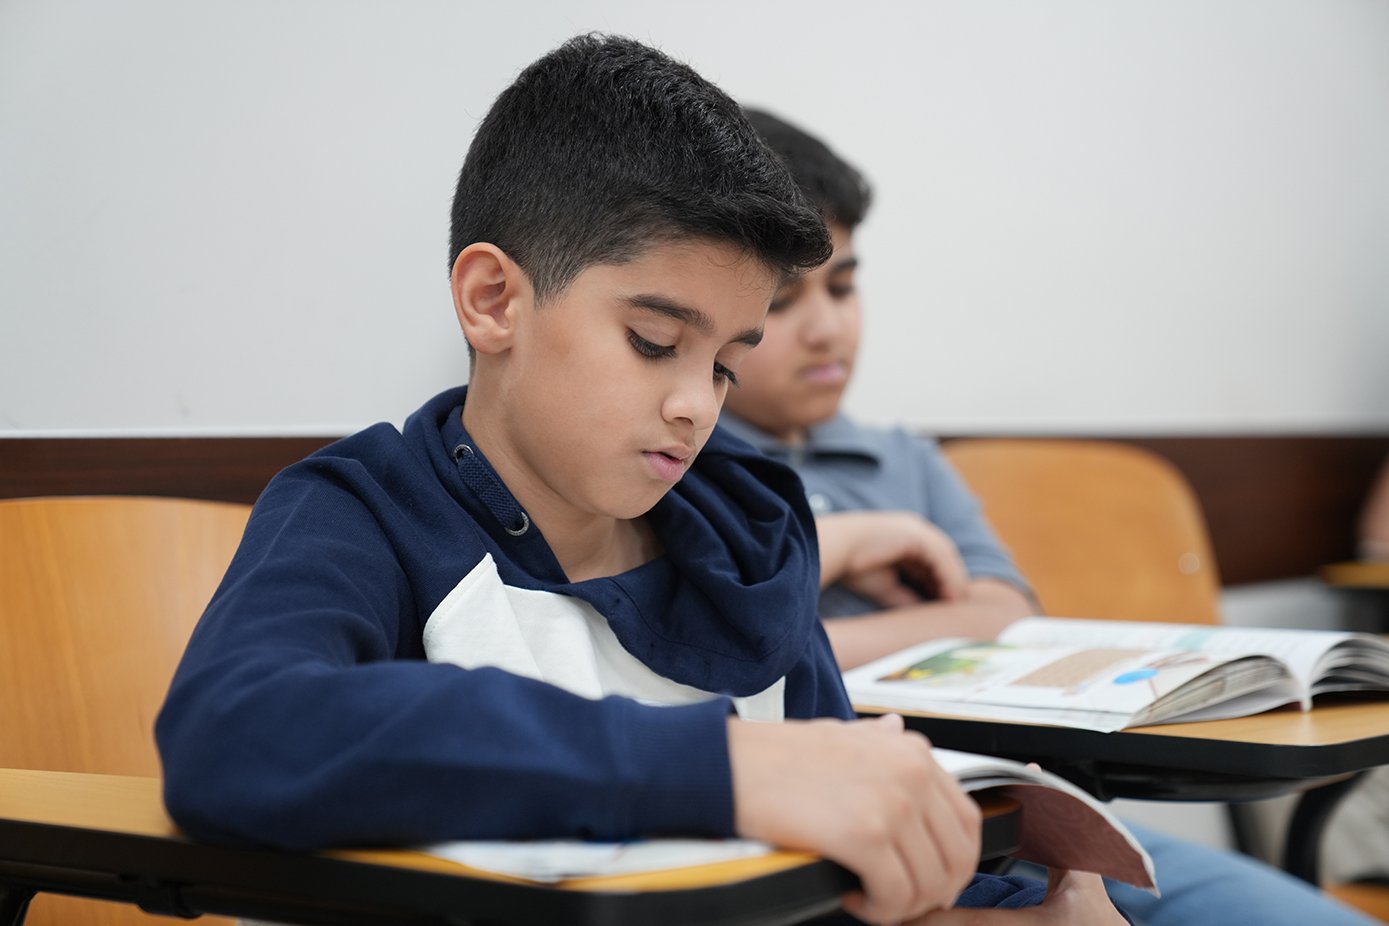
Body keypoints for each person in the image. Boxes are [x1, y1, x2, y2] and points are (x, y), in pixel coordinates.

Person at [154, 34, 1131, 926]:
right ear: (493, 299)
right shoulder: (364, 516)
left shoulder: (749, 535)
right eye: (654, 341)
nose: (696, 405)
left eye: (725, 364)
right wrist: (726, 769)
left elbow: (827, 896)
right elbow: (236, 733)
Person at [719, 105, 1378, 926]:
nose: (827, 328)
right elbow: (731, 674)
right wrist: (854, 561)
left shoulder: (905, 460)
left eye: (844, 286)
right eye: (784, 301)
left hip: (1039, 815)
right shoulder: (684, 468)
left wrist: (820, 634)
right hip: (868, 852)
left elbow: (1006, 619)